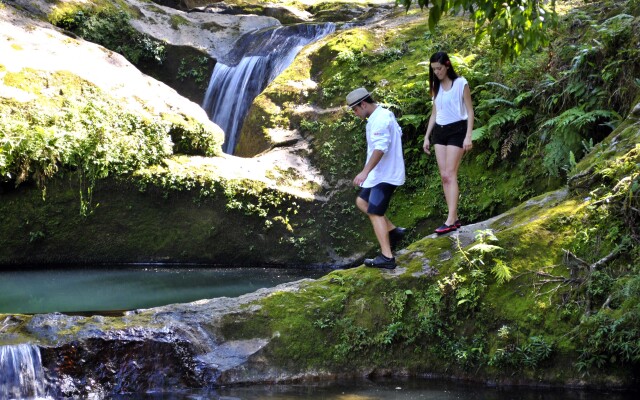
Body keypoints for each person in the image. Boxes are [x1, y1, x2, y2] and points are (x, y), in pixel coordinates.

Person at [346, 87, 406, 269]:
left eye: (355, 110)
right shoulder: (381, 116)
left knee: (375, 212)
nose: (356, 114)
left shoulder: (380, 120)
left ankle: (387, 258)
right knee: (362, 202)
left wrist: (365, 171)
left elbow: (381, 148)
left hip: (385, 175)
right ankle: (393, 232)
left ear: (363, 104)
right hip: (379, 174)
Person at [423, 51, 474, 234]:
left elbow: (469, 111)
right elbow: (434, 113)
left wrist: (468, 136)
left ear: (447, 65)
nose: (437, 72)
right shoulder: (436, 88)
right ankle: (454, 217)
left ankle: (451, 219)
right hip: (440, 132)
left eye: (439, 68)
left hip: (457, 130)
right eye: (434, 70)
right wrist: (427, 136)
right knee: (444, 175)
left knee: (451, 173)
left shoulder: (461, 83)